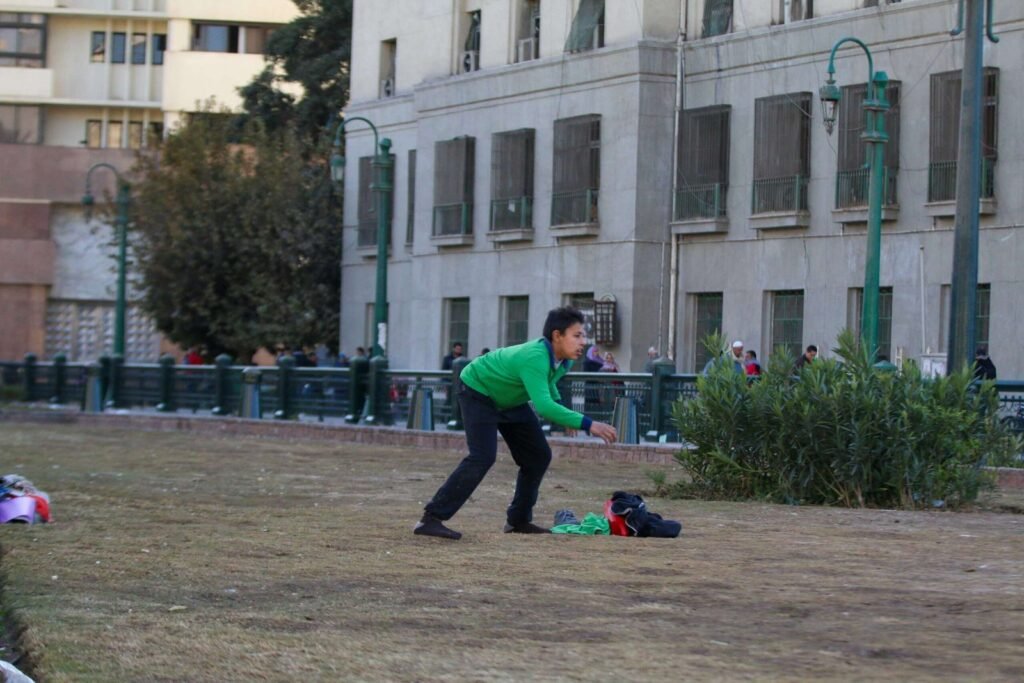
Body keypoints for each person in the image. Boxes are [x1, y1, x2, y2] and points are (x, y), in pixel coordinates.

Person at [414, 306, 618, 540]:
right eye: (577, 335)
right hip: (478, 389)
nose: (583, 342)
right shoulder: (535, 356)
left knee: (538, 455)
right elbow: (543, 405)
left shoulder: (564, 361)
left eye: (584, 335)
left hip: (510, 399)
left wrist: (565, 414)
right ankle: (429, 519)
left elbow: (549, 385)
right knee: (482, 456)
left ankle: (518, 521)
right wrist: (588, 424)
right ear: (557, 336)